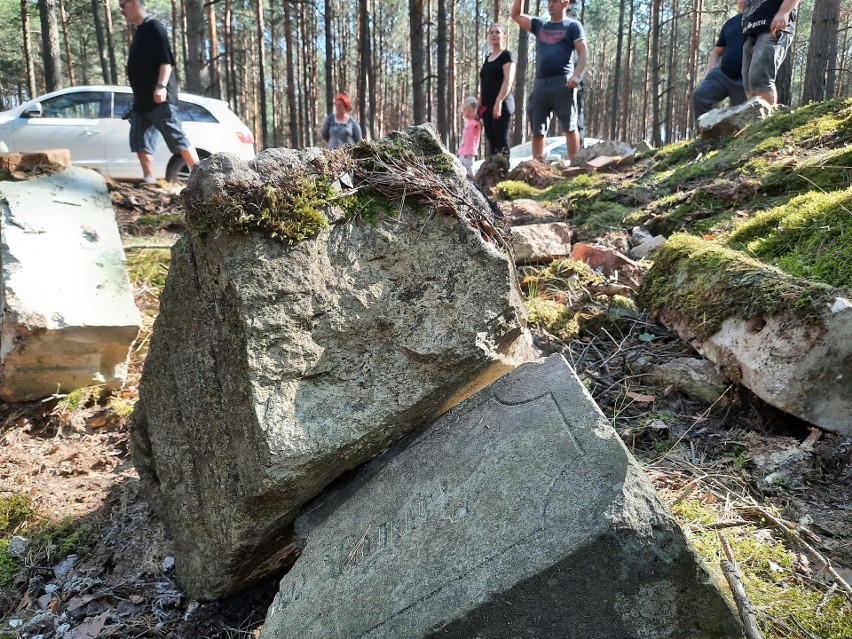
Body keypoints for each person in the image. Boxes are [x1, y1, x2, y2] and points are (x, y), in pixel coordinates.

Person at [119, 0, 198, 184]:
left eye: (123, 5)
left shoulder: (154, 27)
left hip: (160, 98)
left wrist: (161, 87)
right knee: (139, 139)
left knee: (176, 137)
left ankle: (200, 177)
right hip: (141, 101)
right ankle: (149, 180)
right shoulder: (140, 31)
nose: (122, 11)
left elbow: (166, 61)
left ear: (134, 3)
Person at [511, 0, 587, 162]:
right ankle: (537, 167)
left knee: (570, 126)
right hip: (541, 83)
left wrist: (576, 75)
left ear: (565, 3)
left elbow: (583, 52)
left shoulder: (572, 26)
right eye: (549, 2)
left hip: (563, 82)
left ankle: (575, 166)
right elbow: (516, 15)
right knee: (538, 129)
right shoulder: (540, 25)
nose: (550, 5)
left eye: (555, 1)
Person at [693, 0, 747, 121]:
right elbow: (717, 51)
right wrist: (712, 71)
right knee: (700, 95)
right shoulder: (730, 23)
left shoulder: (758, 21)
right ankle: (704, 132)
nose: (741, 1)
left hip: (745, 80)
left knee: (744, 116)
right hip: (722, 76)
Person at [742, 0, 801, 106]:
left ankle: (767, 120)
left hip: (773, 27)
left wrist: (783, 12)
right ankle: (755, 119)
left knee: (760, 79)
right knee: (748, 84)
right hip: (750, 32)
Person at [478, 23, 516, 157]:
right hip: (486, 107)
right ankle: (492, 175)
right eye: (491, 32)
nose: (494, 34)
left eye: (497, 32)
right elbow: (484, 83)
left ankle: (503, 172)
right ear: (488, 37)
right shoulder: (487, 59)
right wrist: (479, 104)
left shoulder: (507, 56)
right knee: (492, 143)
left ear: (504, 37)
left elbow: (508, 80)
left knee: (501, 142)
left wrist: (498, 102)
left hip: (501, 104)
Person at [457, 97, 482, 177]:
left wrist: (477, 114)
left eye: (465, 110)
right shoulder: (468, 122)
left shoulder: (475, 122)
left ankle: (472, 184)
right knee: (461, 170)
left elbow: (480, 127)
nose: (463, 112)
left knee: (468, 170)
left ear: (472, 110)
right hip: (463, 151)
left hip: (469, 152)